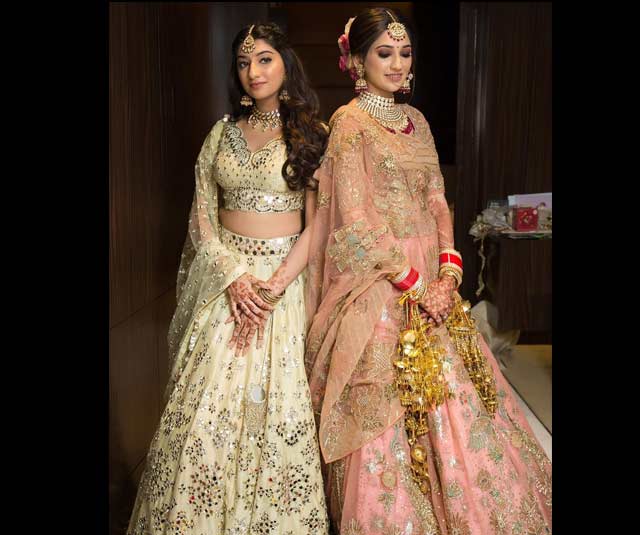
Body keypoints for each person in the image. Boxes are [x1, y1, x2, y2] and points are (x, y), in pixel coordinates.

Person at [305, 8, 551, 535]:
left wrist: (447, 271)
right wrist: (412, 283)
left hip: (432, 282)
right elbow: (357, 218)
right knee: (391, 395)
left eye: (405, 53)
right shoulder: (350, 123)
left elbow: (439, 200)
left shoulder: (418, 122)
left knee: (465, 395)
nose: (397, 64)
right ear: (357, 60)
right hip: (383, 281)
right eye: (384, 53)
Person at [127, 22, 330, 535]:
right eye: (244, 62)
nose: (253, 71)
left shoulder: (310, 133)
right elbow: (202, 218)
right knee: (204, 408)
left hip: (279, 290)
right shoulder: (220, 133)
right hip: (227, 284)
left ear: (286, 63)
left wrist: (272, 286)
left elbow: (318, 224)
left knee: (276, 410)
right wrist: (236, 278)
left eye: (264, 59)